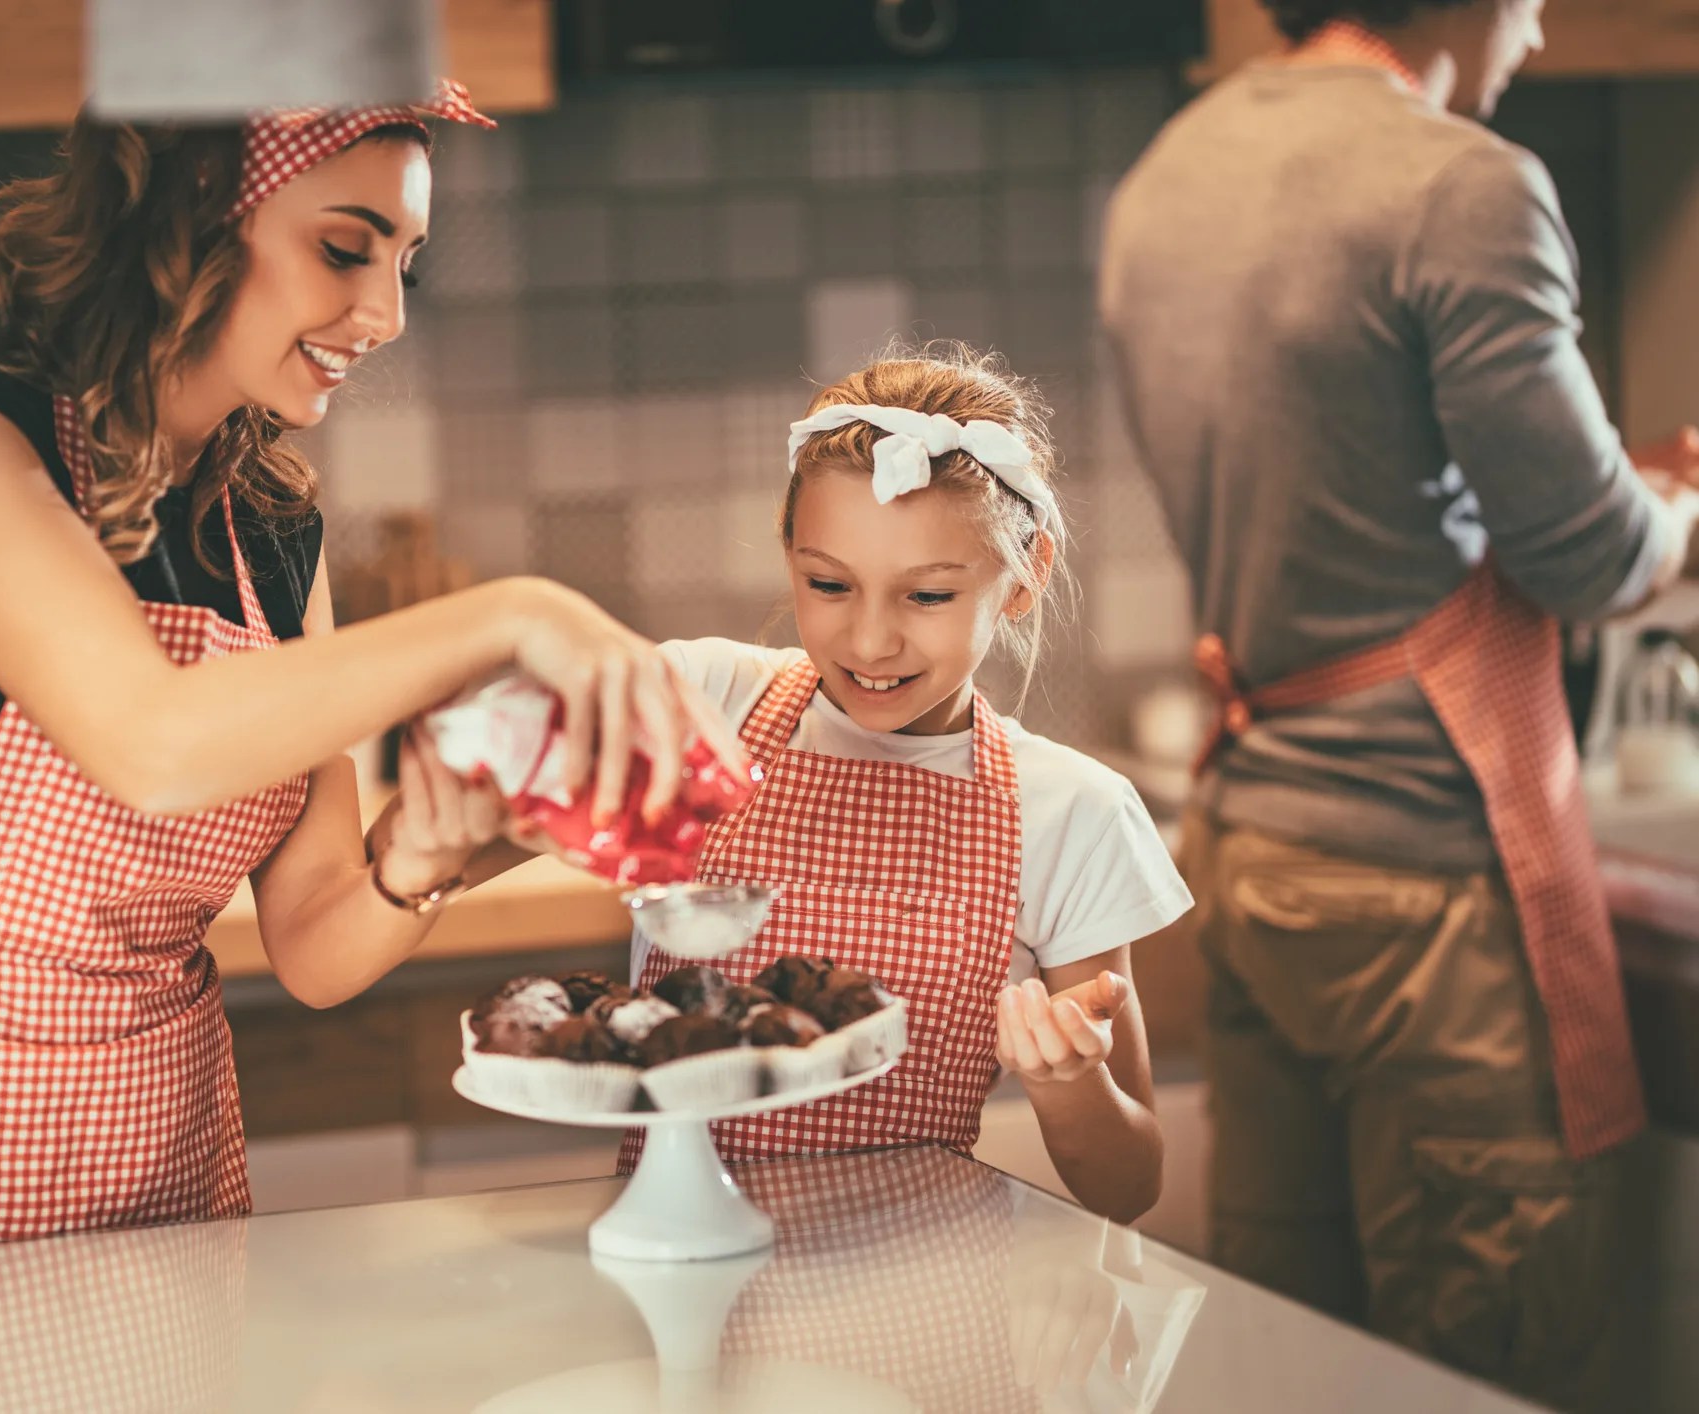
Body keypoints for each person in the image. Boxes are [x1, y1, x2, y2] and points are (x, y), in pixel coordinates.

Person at [0, 83, 742, 1265]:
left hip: (175, 1178)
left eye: (406, 267)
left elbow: (317, 946)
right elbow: (155, 741)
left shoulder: (267, 529)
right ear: (194, 217)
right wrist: (518, 613)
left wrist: (421, 858)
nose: (383, 315)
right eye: (343, 250)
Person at [1099, 0, 1699, 1399]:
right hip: (1421, 882)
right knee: (1493, 1356)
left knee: (1288, 1356)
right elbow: (1590, 551)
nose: (1540, 29)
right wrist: (1681, 509)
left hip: (1249, 852)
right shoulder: (1462, 185)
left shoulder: (1174, 167)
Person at [615, 343, 1189, 1225]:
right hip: (677, 1271)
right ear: (789, 556)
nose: (870, 641)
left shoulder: (1070, 811)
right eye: (828, 584)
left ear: (1023, 576)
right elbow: (458, 840)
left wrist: (1065, 1080)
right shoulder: (701, 705)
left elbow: (1127, 1184)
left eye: (926, 597)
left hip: (912, 1303)